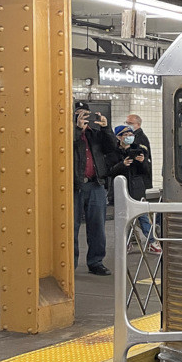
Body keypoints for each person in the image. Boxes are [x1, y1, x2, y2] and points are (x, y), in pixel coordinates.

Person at [73, 101, 121, 275]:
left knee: (97, 226)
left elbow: (111, 148)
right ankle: (70, 265)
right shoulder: (68, 134)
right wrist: (77, 129)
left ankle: (96, 262)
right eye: (79, 114)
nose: (83, 117)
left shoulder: (95, 135)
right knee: (71, 227)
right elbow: (68, 145)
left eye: (86, 114)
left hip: (96, 185)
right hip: (74, 186)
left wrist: (106, 128)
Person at [112, 125, 161, 254]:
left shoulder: (139, 149)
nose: (129, 137)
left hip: (137, 188)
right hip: (122, 189)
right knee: (124, 218)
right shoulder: (113, 151)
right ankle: (126, 242)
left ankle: (152, 241)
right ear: (118, 137)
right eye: (125, 135)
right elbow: (110, 171)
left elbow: (146, 171)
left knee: (143, 216)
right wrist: (122, 165)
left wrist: (143, 161)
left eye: (130, 134)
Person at [123, 114, 153, 189]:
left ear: (138, 124)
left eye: (130, 123)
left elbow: (140, 158)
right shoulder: (133, 136)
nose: (127, 125)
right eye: (126, 123)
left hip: (138, 177)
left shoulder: (140, 138)